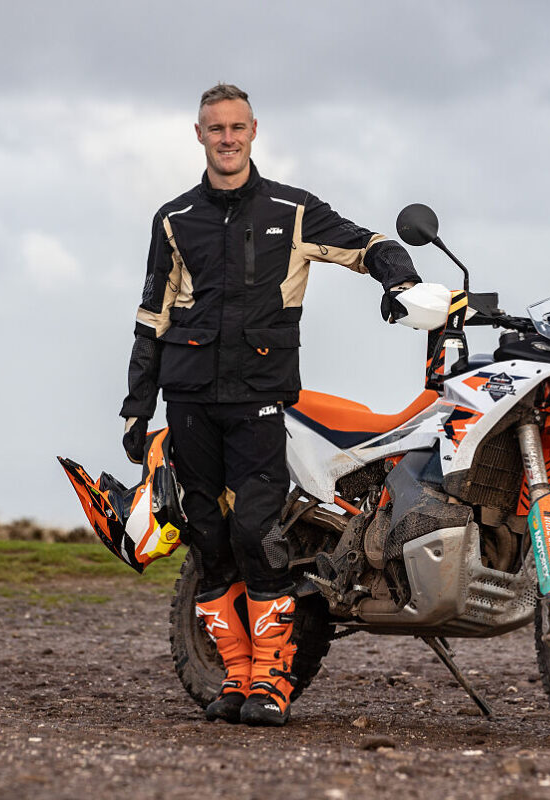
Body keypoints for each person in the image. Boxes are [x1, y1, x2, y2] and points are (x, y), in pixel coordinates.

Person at [118, 84, 420, 726]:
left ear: (254, 130)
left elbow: (365, 245)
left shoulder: (294, 209)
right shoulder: (174, 219)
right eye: (215, 128)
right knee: (207, 535)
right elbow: (152, 317)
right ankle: (235, 678)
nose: (226, 139)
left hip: (259, 395)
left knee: (257, 532)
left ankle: (273, 681)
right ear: (198, 135)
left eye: (236, 127)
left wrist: (401, 277)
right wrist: (137, 408)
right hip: (189, 395)